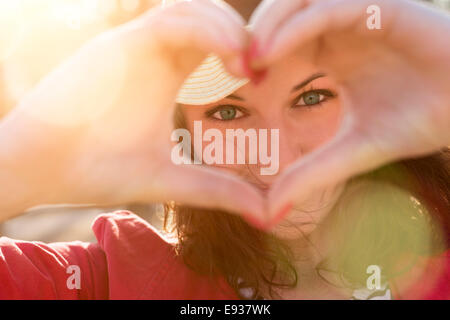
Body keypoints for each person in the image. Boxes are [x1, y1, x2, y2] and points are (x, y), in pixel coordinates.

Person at [0, 0, 449, 299]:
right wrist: (18, 167)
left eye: (311, 98)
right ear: (184, 132)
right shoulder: (116, 282)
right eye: (228, 113)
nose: (276, 154)